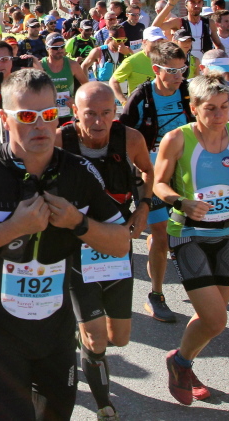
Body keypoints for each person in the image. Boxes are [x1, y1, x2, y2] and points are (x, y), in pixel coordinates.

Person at [0, 69, 130, 420]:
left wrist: (78, 222)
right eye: (27, 116)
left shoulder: (78, 170)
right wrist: (14, 227)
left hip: (55, 328)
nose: (40, 126)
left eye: (48, 114)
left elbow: (121, 244)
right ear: (5, 119)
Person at [153, 73, 229, 406]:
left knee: (213, 317)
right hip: (188, 233)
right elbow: (158, 184)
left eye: (225, 106)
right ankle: (182, 363)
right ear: (194, 108)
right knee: (217, 319)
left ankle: (180, 362)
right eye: (210, 108)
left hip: (226, 232)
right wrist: (182, 202)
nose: (220, 115)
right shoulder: (177, 139)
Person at [56, 82, 154, 421]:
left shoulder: (130, 138)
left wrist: (144, 206)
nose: (99, 122)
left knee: (119, 338)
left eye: (106, 114)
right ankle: (104, 405)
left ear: (115, 112)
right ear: (74, 111)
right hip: (76, 246)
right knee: (97, 340)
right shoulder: (60, 141)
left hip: (116, 244)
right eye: (90, 114)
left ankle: (84, 334)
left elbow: (147, 170)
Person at [120, 41, 194, 323]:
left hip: (183, 170)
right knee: (162, 234)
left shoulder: (188, 92)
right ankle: (156, 294)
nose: (179, 76)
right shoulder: (142, 97)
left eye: (182, 69)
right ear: (156, 69)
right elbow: (123, 137)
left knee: (181, 233)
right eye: (172, 71)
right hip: (149, 173)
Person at [152, 0, 222, 62]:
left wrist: (220, 60)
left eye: (199, 2)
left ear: (202, 4)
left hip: (206, 64)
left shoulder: (209, 22)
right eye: (193, 2)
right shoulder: (178, 22)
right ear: (186, 5)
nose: (197, 5)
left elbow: (219, 45)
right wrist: (170, 4)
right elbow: (154, 27)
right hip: (185, 64)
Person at [110, 26, 168, 106]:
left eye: (161, 41)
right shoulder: (131, 61)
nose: (158, 44)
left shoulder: (167, 60)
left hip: (162, 106)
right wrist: (125, 102)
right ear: (144, 41)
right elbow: (113, 81)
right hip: (138, 108)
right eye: (154, 41)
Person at [41, 33, 89, 124]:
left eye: (62, 47)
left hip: (69, 115)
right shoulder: (40, 66)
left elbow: (87, 87)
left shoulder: (73, 65)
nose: (59, 50)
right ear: (47, 48)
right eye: (55, 48)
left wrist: (76, 100)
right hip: (47, 115)